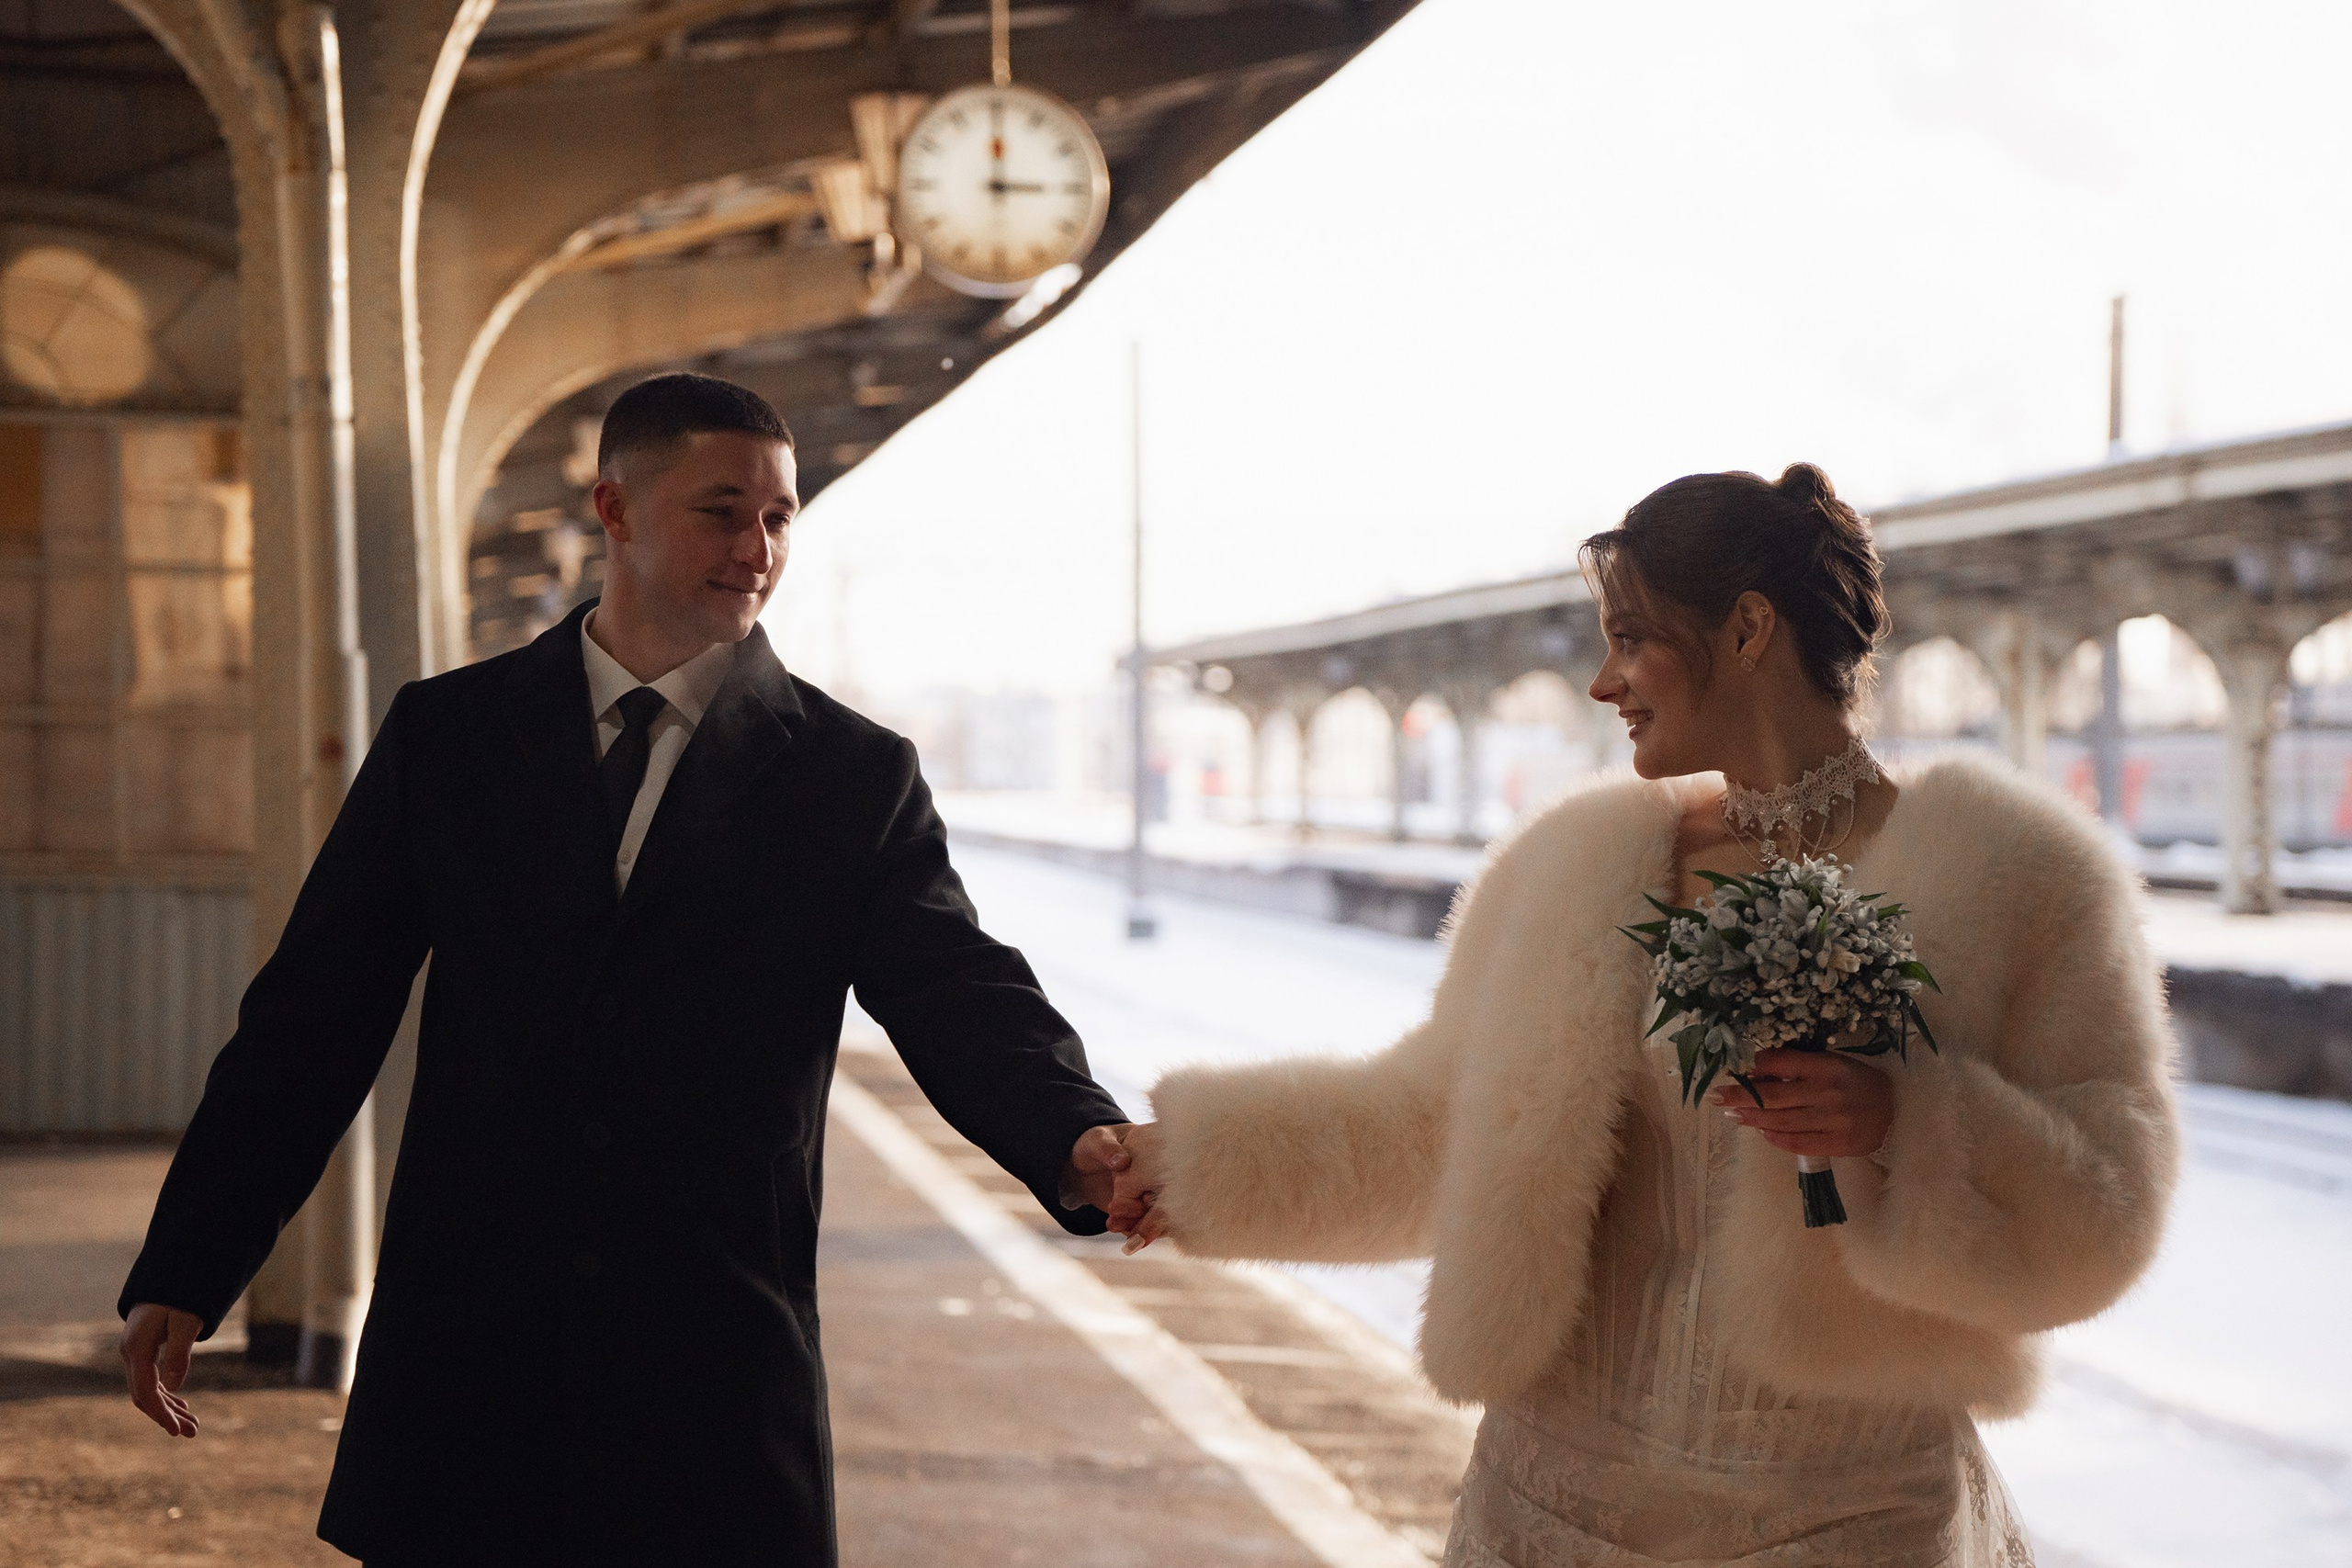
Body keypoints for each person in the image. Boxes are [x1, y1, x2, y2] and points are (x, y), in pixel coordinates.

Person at [116, 372, 1136, 1567]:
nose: (757, 548)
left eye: (781, 517)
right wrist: (192, 1257)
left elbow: (956, 986)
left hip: (711, 1368)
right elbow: (313, 1016)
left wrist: (1076, 1134)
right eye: (722, 510)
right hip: (470, 1357)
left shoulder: (850, 777)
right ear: (615, 506)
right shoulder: (452, 737)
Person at [1110, 464, 2180, 1566]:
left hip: (1847, 1518)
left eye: (1629, 638)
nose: (1600, 683)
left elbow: (2111, 1198)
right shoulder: (1574, 865)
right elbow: (1441, 1125)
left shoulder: (2017, 877)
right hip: (1551, 1498)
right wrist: (1189, 1167)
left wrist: (1905, 1120)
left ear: (1749, 629)